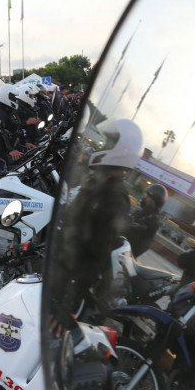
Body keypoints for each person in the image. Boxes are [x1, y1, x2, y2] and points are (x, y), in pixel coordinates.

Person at [50, 118, 145, 319]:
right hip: (56, 266)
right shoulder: (97, 182)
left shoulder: (114, 197)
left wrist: (67, 303)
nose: (102, 147)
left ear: (120, 150)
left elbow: (96, 256)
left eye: (108, 143)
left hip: (67, 284)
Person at [125, 183, 168, 257]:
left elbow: (144, 246)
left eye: (148, 196)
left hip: (124, 255)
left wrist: (128, 256)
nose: (145, 198)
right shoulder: (138, 212)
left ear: (154, 201)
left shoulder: (152, 222)